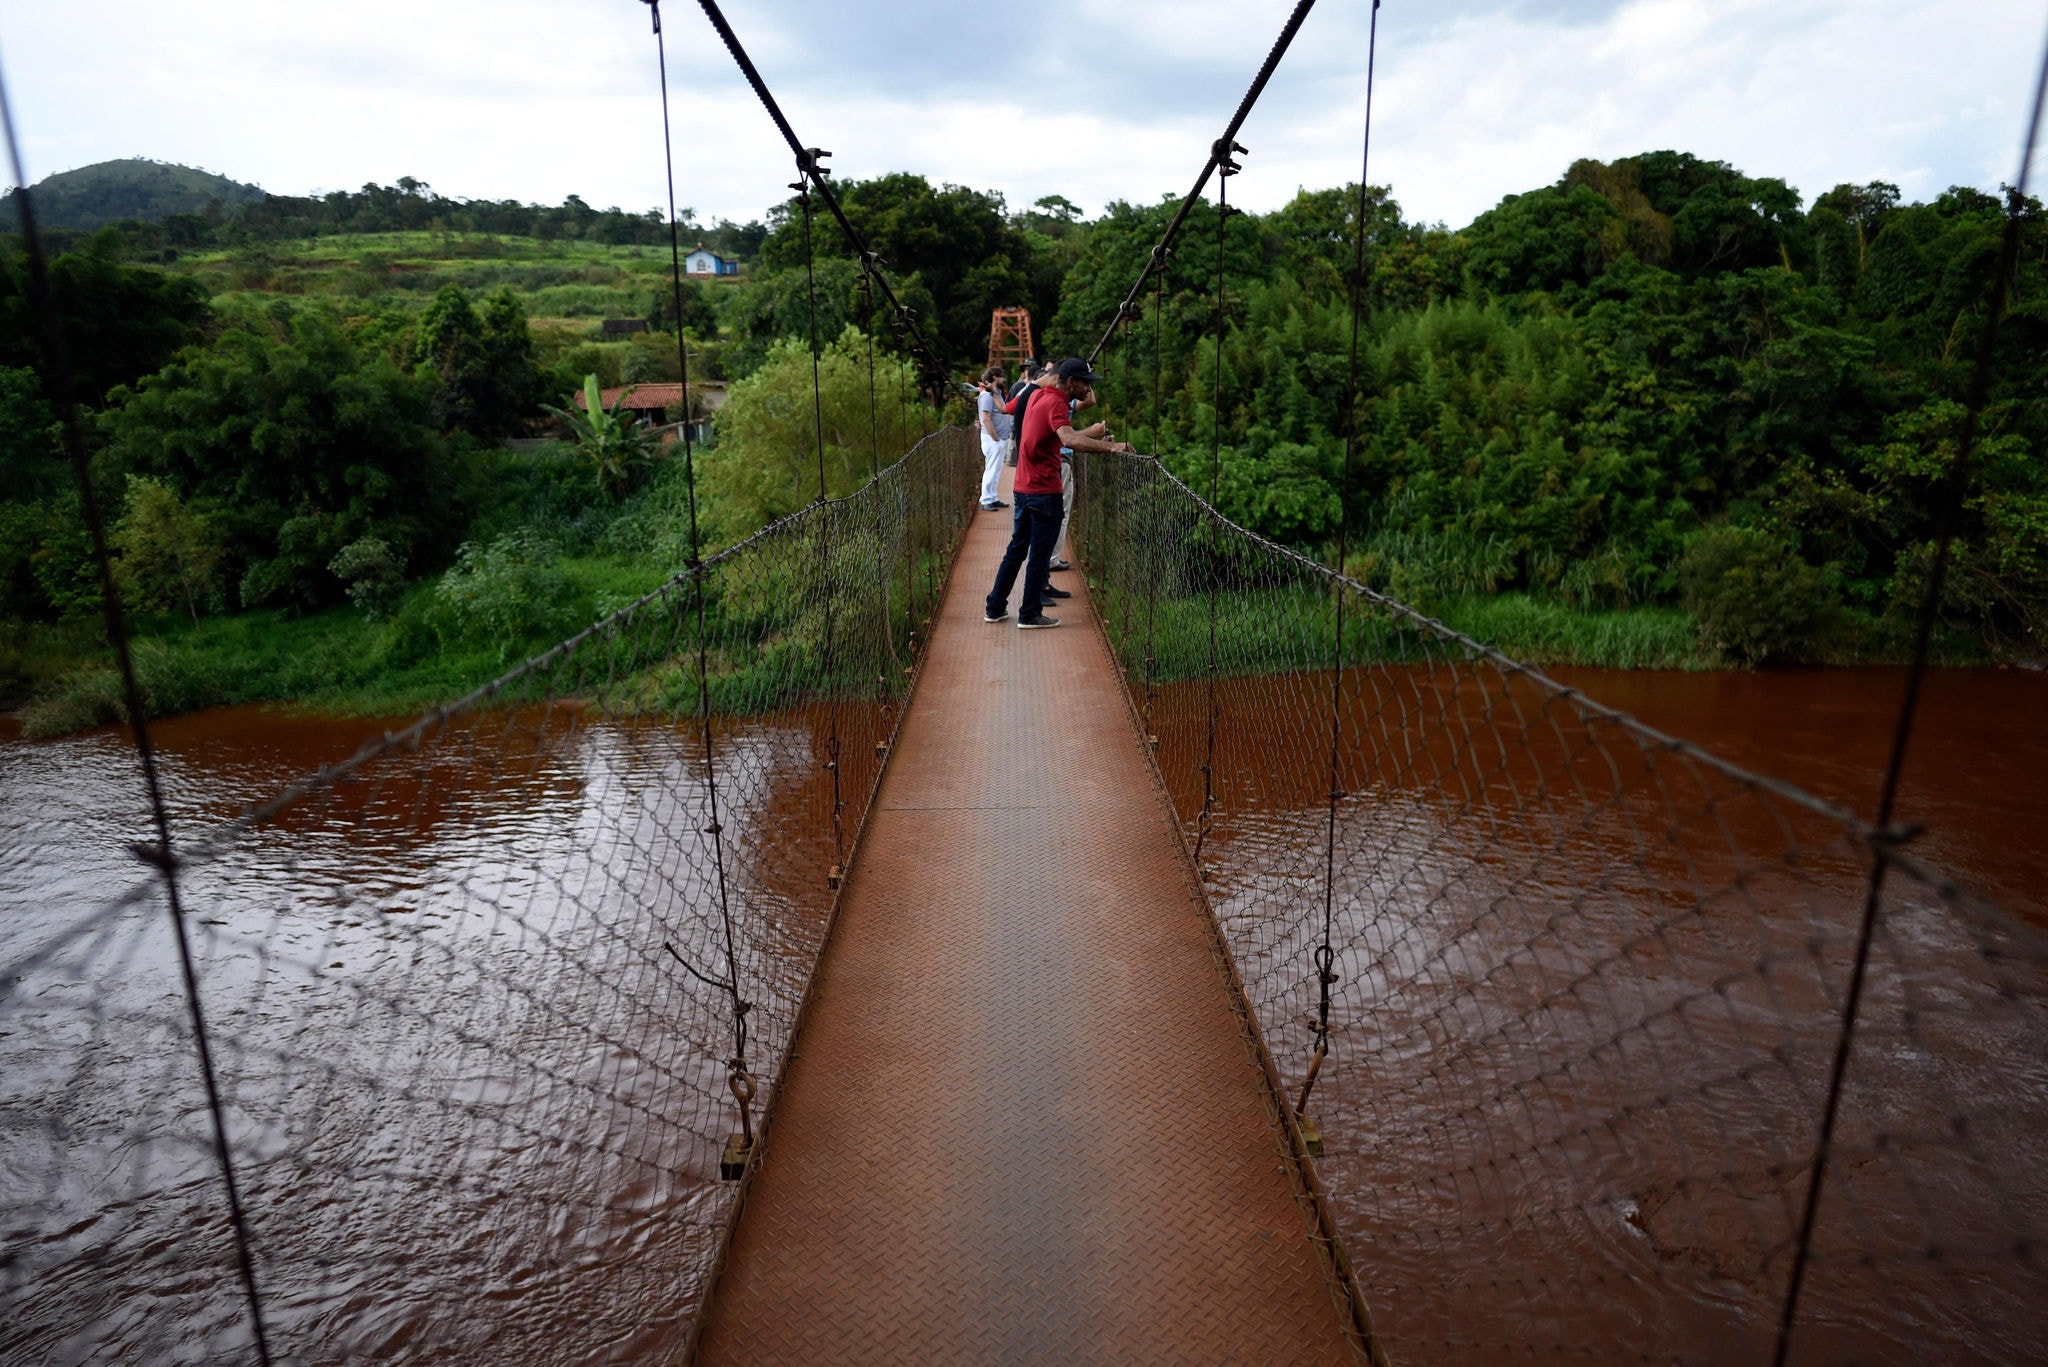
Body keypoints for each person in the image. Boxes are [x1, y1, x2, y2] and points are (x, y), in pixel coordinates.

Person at [984, 358, 1133, 629]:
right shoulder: (1056, 403)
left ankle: (994, 607)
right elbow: (1069, 439)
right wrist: (1110, 448)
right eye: (1085, 383)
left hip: (1023, 487)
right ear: (1070, 382)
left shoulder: (1038, 396)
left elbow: (1056, 437)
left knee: (1016, 550)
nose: (1089, 388)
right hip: (1044, 490)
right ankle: (1029, 613)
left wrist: (1095, 441)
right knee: (1040, 554)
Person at [976, 365, 1010, 511]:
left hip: (999, 438)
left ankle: (993, 497)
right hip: (993, 439)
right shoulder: (987, 396)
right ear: (995, 377)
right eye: (1001, 376)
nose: (1003, 379)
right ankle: (986, 499)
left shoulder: (996, 393)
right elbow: (985, 418)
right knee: (991, 469)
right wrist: (995, 438)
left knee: (996, 470)